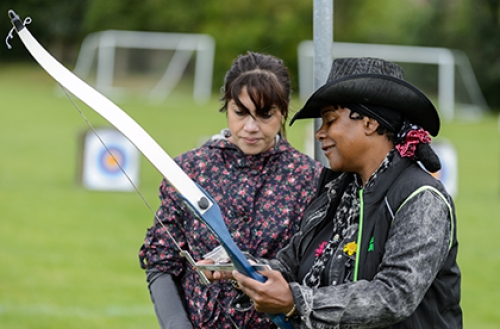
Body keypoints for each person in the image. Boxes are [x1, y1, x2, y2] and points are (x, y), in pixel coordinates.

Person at [218, 57, 462, 328]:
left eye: (330, 120)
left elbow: (394, 295)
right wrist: (241, 267)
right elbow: (289, 264)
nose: (320, 133)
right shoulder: (335, 191)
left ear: (369, 123)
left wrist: (297, 301)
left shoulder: (421, 197)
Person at [138, 51, 324, 329]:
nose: (250, 127)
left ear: (283, 112)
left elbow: (315, 269)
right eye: (240, 112)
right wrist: (177, 323)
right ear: (227, 106)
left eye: (265, 114)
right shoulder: (190, 169)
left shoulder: (309, 178)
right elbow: (161, 260)